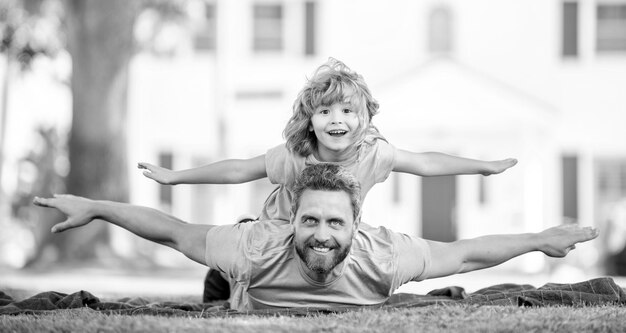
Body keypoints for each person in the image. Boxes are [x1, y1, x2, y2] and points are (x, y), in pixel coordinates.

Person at [137, 57, 518, 300]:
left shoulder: (374, 154)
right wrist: (176, 178)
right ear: (311, 120)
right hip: (278, 233)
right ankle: (223, 282)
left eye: (347, 110)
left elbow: (425, 163)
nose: (337, 120)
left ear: (364, 118)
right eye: (325, 111)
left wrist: (481, 166)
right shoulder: (295, 156)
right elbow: (239, 169)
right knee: (250, 274)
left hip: (329, 237)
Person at [33, 164, 598, 311]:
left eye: (334, 223)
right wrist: (97, 209)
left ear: (357, 226)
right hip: (241, 279)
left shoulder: (384, 253)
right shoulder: (257, 245)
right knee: (217, 287)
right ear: (291, 221)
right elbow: (174, 231)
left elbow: (467, 253)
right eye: (310, 220)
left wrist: (539, 239)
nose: (322, 234)